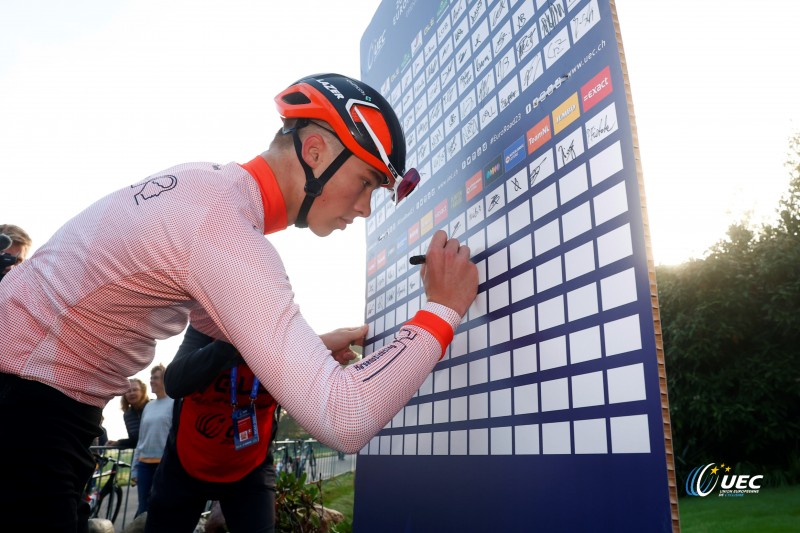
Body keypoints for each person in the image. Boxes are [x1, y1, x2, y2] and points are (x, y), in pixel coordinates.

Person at [0, 73, 478, 532]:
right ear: (315, 151)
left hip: (32, 391)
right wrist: (442, 309)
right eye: (368, 182)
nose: (365, 208)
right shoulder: (226, 232)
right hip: (28, 400)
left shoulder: (210, 188)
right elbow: (343, 417)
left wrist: (314, 347)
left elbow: (240, 337)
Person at [145, 325, 301, 532]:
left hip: (250, 470)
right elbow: (175, 383)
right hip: (185, 467)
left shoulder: (287, 332)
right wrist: (233, 339)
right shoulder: (205, 324)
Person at [132, 364, 174, 517]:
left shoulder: (174, 403)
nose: (151, 381)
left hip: (163, 464)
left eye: (155, 378)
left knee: (161, 506)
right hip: (144, 465)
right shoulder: (148, 406)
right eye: (150, 378)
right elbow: (141, 438)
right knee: (143, 507)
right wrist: (134, 468)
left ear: (165, 380)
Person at [108, 378, 150, 448]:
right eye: (128, 391)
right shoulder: (127, 415)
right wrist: (118, 443)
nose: (132, 393)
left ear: (143, 391)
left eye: (135, 390)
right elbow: (134, 441)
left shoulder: (153, 407)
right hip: (143, 455)